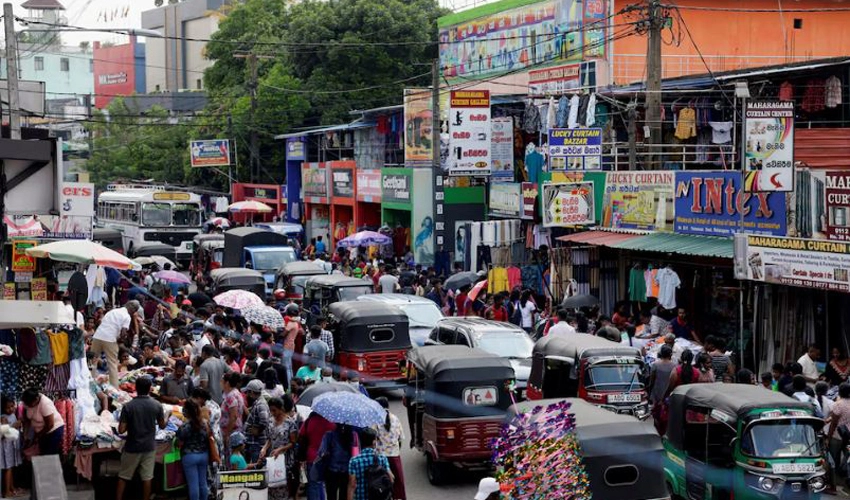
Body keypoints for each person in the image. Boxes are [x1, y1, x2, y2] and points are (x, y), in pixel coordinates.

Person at [116, 377, 166, 500]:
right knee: (147, 477)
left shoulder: (128, 406)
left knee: (124, 476)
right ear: (150, 389)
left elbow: (121, 430)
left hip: (132, 446)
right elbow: (162, 425)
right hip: (149, 446)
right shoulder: (157, 405)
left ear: (136, 388)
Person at [91, 300, 141, 387]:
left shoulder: (113, 311)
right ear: (133, 310)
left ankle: (90, 383)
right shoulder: (127, 316)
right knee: (112, 364)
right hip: (110, 339)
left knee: (92, 361)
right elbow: (123, 333)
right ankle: (114, 388)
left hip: (97, 336)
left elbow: (100, 322)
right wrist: (121, 340)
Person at [260, 396, 301, 500]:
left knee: (283, 485)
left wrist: (281, 449)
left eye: (275, 410)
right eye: (271, 410)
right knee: (272, 485)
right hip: (273, 459)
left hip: (285, 461)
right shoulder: (270, 422)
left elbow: (293, 442)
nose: (273, 413)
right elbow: (269, 439)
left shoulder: (289, 423)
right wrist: (264, 448)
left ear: (281, 408)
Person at [177, 400, 211, 500]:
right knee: (203, 483)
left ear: (186, 412)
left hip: (189, 457)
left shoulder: (184, 427)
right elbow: (209, 437)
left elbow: (179, 443)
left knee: (193, 485)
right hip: (204, 455)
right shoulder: (205, 424)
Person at [373, 397, 406, 500]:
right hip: (394, 456)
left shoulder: (375, 421)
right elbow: (401, 438)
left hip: (380, 458)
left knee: (380, 484)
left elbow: (373, 439)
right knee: (398, 484)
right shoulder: (396, 418)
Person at [347, 428, 394, 500]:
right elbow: (391, 478)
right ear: (373, 442)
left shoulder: (354, 461)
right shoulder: (382, 458)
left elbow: (352, 484)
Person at [300, 412, 336, 500]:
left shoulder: (309, 421)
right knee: (326, 485)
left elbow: (301, 435)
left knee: (313, 485)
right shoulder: (332, 423)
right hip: (328, 458)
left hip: (312, 457)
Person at [21, 388, 65, 457]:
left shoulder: (45, 403)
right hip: (40, 431)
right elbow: (27, 420)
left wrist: (38, 435)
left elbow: (50, 424)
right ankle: (43, 467)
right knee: (42, 453)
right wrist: (26, 435)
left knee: (49, 455)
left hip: (54, 429)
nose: (28, 406)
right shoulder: (27, 402)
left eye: (30, 404)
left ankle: (50, 467)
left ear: (36, 399)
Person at [320, 423, 358, 500]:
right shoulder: (353, 435)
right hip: (347, 470)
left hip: (331, 470)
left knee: (331, 495)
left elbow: (321, 452)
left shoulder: (329, 435)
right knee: (344, 495)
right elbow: (356, 453)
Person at [242, 379, 271, 464]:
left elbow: (264, 420)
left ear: (251, 392)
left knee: (257, 468)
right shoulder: (257, 403)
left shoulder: (261, 404)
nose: (247, 394)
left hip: (257, 443)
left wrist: (258, 430)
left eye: (248, 392)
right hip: (254, 443)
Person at [220, 372, 245, 463]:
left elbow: (233, 416)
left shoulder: (231, 396)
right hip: (235, 430)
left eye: (222, 381)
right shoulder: (236, 393)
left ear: (227, 383)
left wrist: (227, 434)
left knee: (231, 459)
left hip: (232, 431)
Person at [0, 396, 22, 498]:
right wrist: (14, 426)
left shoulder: (13, 414)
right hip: (6, 447)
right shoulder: (3, 417)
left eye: (13, 406)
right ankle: (7, 491)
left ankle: (12, 487)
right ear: (3, 408)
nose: (11, 409)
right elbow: (3, 432)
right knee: (8, 468)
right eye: (8, 407)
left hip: (11, 445)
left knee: (11, 467)